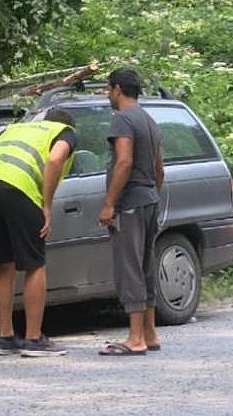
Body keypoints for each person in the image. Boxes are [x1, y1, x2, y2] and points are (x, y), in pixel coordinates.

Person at [0, 107, 77, 357]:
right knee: (35, 264)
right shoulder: (65, 132)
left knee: (5, 263)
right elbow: (54, 159)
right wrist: (46, 206)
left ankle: (5, 338)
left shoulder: (20, 127)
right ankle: (34, 339)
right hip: (18, 188)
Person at [98, 67, 164, 356]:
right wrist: (152, 193)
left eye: (108, 89)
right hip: (150, 199)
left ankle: (135, 338)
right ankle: (150, 333)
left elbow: (123, 162)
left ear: (116, 89)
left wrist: (110, 203)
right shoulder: (149, 120)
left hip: (130, 204)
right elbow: (159, 168)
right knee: (146, 265)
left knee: (129, 267)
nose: (108, 95)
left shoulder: (123, 119)